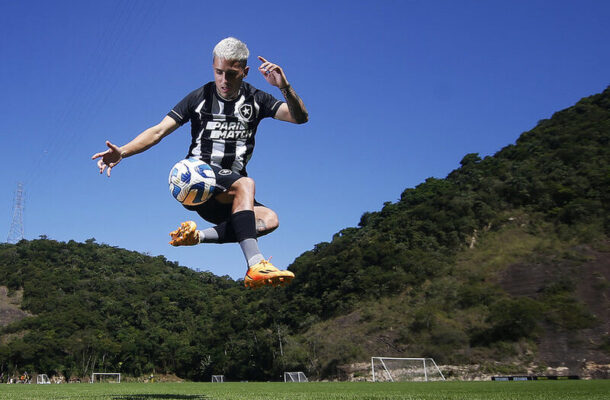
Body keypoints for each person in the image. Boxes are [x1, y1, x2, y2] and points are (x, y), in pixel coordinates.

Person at [92, 37, 308, 288]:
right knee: (246, 184)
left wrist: (285, 86)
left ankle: (196, 236)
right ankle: (255, 264)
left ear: (245, 72)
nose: (224, 80)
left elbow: (299, 117)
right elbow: (159, 130)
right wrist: (123, 152)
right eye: (218, 72)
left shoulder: (257, 99)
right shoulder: (199, 98)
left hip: (226, 195)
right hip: (197, 177)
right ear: (213, 68)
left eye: (231, 74)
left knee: (269, 220)